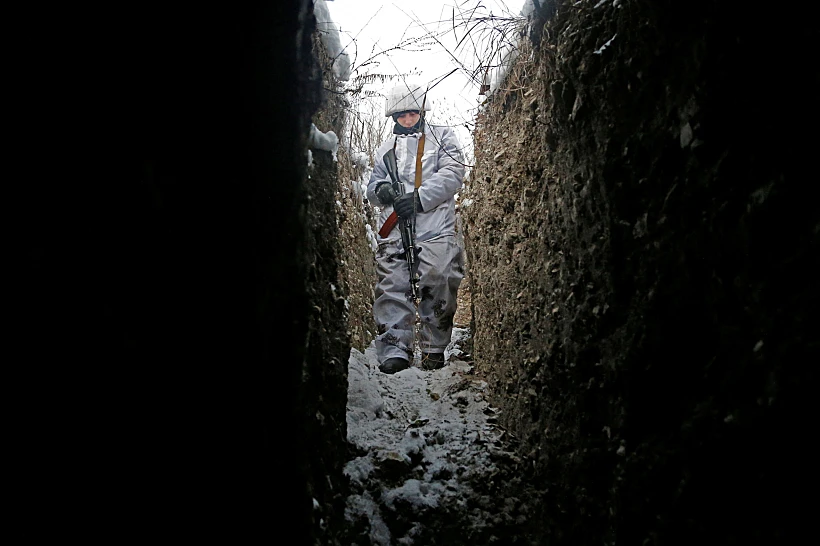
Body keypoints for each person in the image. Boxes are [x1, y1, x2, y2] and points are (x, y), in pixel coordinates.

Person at [366, 83, 466, 374]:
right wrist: (383, 191)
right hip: (396, 230)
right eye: (401, 115)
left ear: (421, 111)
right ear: (393, 117)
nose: (408, 120)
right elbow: (373, 187)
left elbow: (453, 172)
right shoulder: (386, 149)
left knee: (439, 280)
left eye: (412, 113)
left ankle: (434, 349)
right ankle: (395, 349)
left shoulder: (442, 135)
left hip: (436, 226)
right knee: (392, 286)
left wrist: (420, 199)